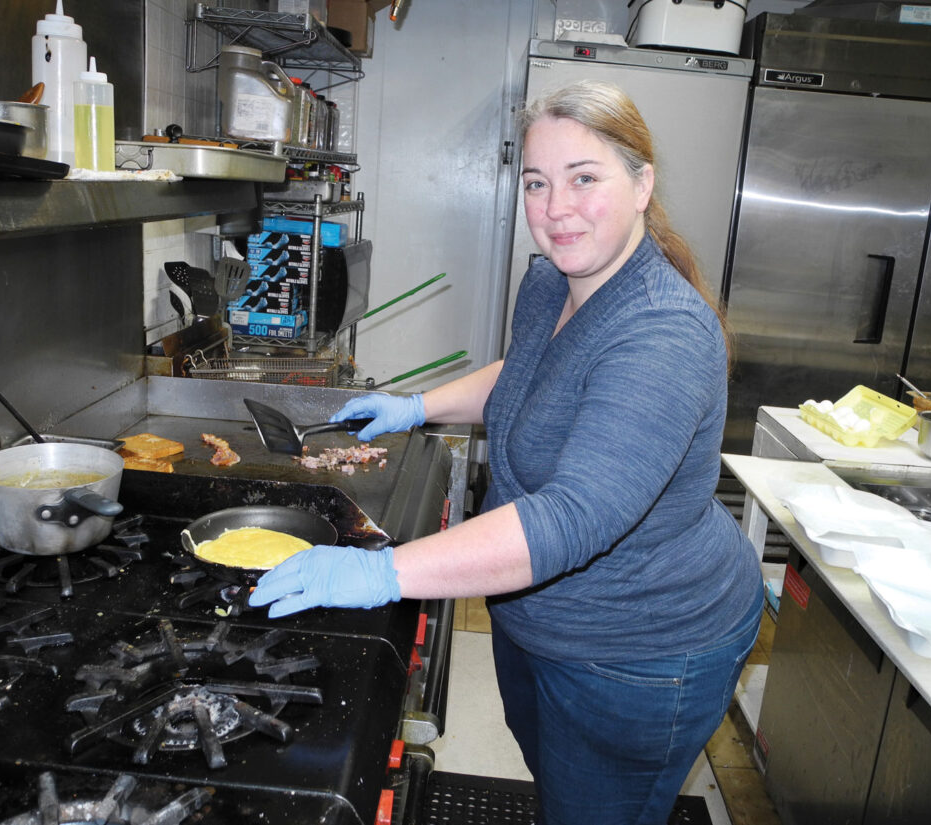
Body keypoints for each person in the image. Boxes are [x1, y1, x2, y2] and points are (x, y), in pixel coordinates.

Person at [250, 79, 764, 825]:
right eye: (536, 182)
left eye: (584, 178)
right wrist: (417, 405)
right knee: (558, 786)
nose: (556, 209)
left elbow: (570, 520)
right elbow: (529, 373)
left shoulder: (663, 336)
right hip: (539, 621)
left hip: (639, 654)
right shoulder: (553, 280)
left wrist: (384, 571)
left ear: (642, 183)